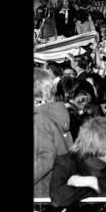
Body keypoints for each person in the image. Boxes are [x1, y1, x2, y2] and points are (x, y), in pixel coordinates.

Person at [50, 117, 106, 207]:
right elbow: (58, 199)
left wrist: (93, 182)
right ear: (98, 146)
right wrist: (100, 189)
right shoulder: (66, 162)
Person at [34, 68, 73, 198]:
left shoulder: (39, 119)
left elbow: (46, 157)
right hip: (52, 190)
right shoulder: (54, 114)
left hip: (39, 192)